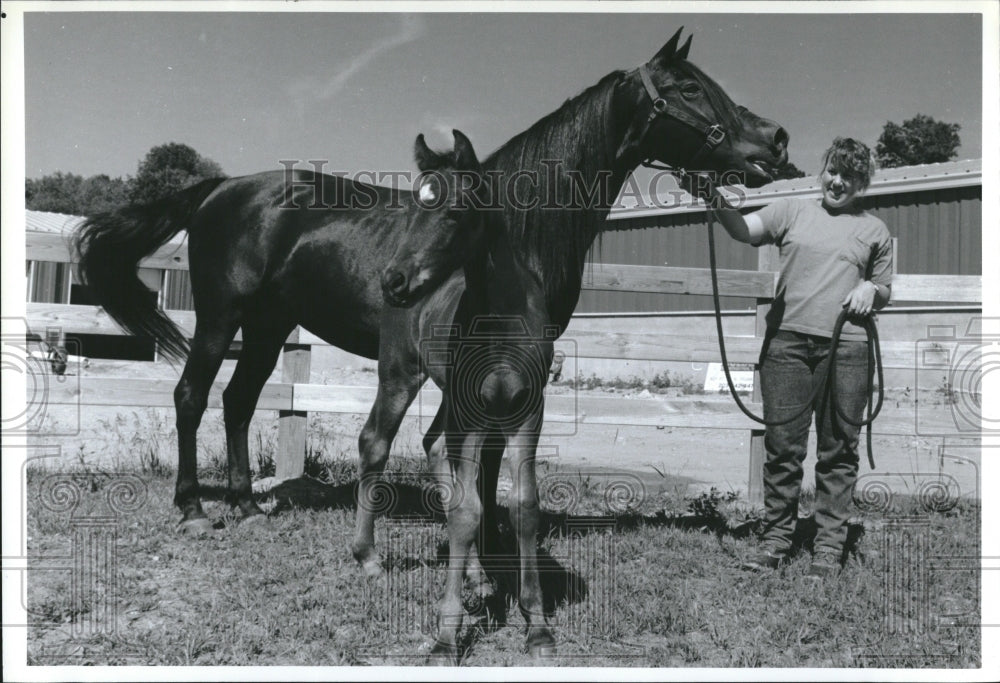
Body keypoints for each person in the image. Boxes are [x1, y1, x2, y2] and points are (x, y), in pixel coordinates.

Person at [708, 137, 893, 579]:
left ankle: (828, 547)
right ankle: (776, 540)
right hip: (787, 347)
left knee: (838, 451)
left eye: (849, 175)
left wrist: (871, 289)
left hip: (847, 349)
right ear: (822, 169)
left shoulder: (875, 231)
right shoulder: (791, 210)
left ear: (862, 184)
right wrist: (714, 198)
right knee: (783, 448)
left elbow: (884, 289)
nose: (837, 181)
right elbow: (742, 230)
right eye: (833, 169)